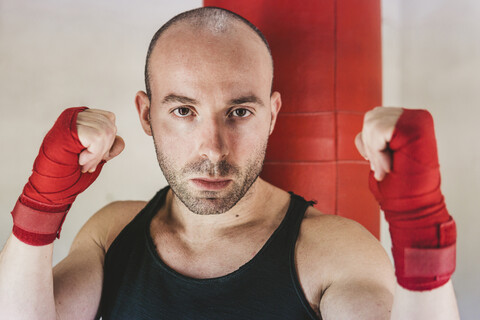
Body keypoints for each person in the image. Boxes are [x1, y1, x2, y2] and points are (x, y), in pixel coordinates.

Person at [0, 7, 459, 319]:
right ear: (146, 114)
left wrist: (422, 236)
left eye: (239, 112)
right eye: (183, 111)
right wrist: (39, 206)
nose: (214, 149)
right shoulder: (113, 232)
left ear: (272, 115)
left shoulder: (333, 252)